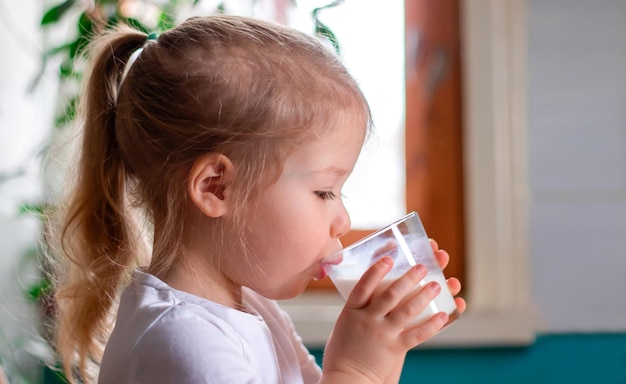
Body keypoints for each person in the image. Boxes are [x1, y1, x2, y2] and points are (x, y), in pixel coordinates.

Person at [48, 14, 465, 384]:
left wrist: (382, 351)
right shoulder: (183, 343)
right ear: (216, 187)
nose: (343, 219)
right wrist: (358, 372)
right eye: (324, 191)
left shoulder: (252, 309)